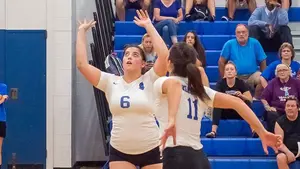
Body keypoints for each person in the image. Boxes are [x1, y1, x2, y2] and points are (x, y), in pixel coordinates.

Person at [153, 42, 282, 169]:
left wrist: (171, 120)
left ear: (169, 63)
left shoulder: (163, 82)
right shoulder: (201, 90)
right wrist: (262, 131)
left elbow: (174, 85)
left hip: (175, 155)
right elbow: (238, 102)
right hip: (199, 158)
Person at [76, 10, 169, 169]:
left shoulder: (151, 79)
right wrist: (81, 32)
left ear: (143, 64)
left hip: (151, 148)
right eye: (126, 54)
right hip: (120, 150)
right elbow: (82, 65)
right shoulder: (109, 81)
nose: (130, 57)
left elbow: (165, 56)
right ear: (122, 60)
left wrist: (148, 26)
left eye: (135, 55)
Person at [0, 83, 8, 169]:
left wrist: (3, 99)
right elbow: (2, 99)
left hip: (1, 120)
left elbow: (3, 100)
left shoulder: (3, 86)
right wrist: (2, 98)